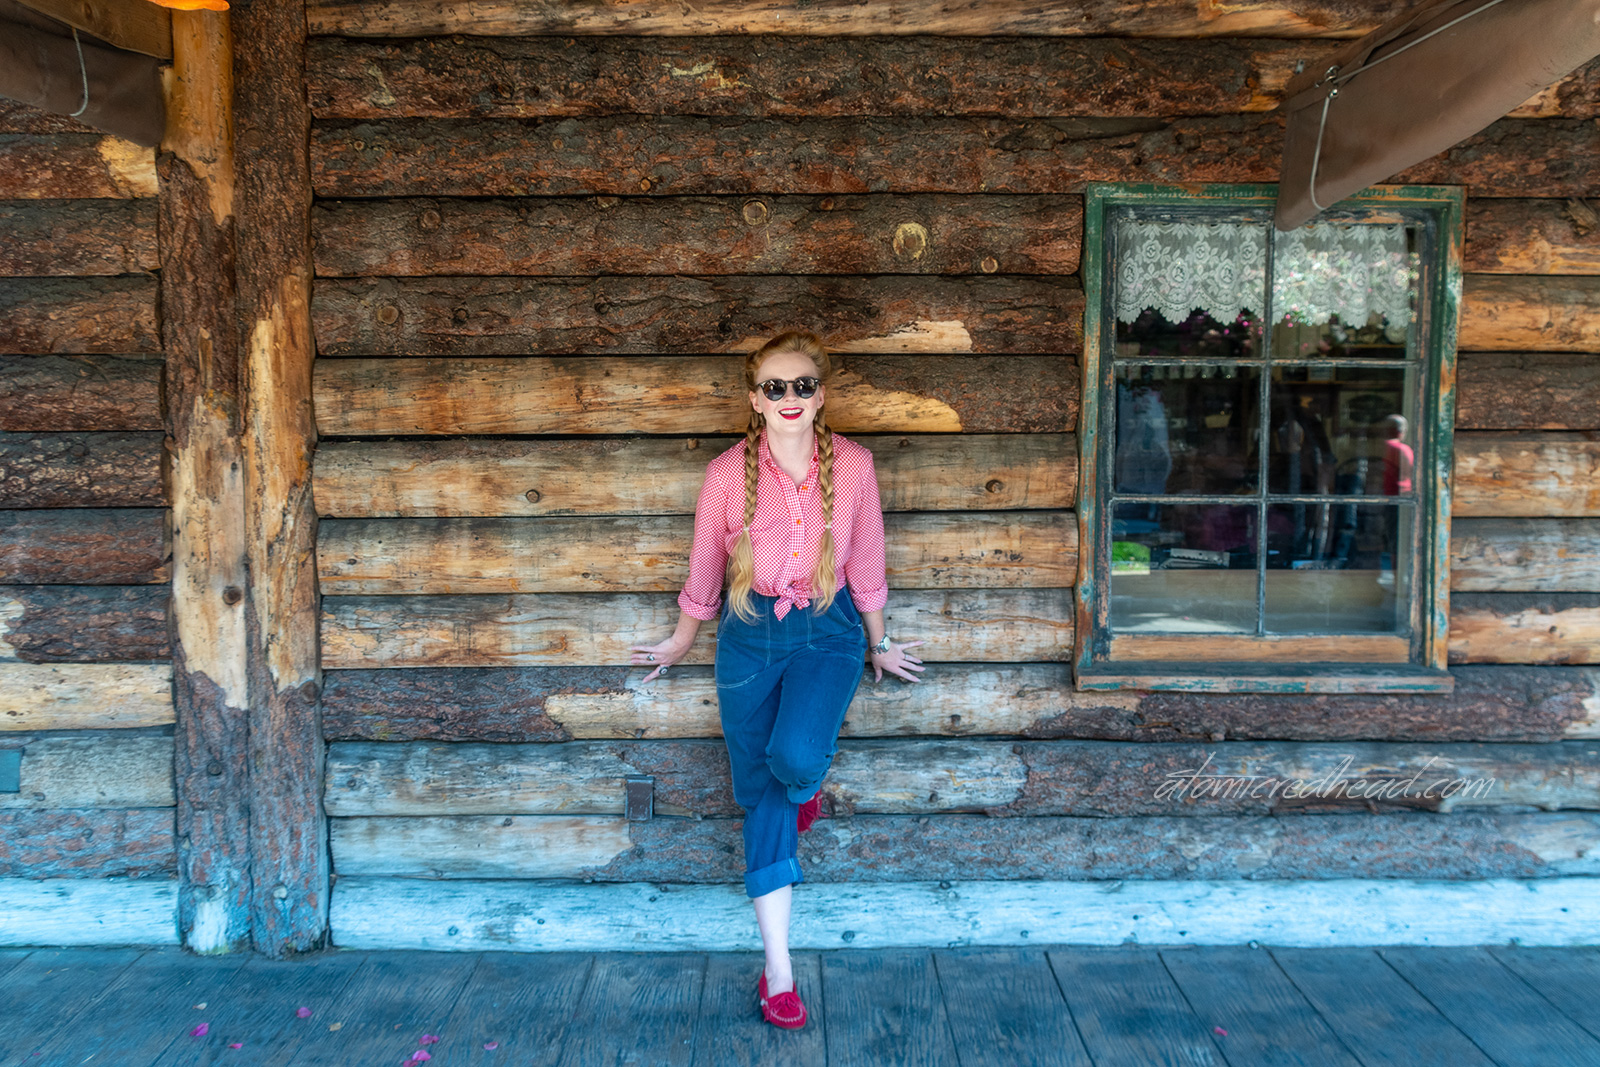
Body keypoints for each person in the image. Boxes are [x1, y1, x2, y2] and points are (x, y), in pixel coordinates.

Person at [630, 329, 925, 1031]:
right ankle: (780, 970)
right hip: (747, 633)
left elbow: (868, 560)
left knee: (793, 759)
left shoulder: (853, 465)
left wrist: (878, 643)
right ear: (754, 398)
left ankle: (803, 790)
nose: (789, 398)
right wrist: (680, 638)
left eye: (801, 386)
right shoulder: (726, 474)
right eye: (774, 387)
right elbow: (705, 564)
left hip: (827, 629)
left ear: (820, 394)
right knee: (761, 790)